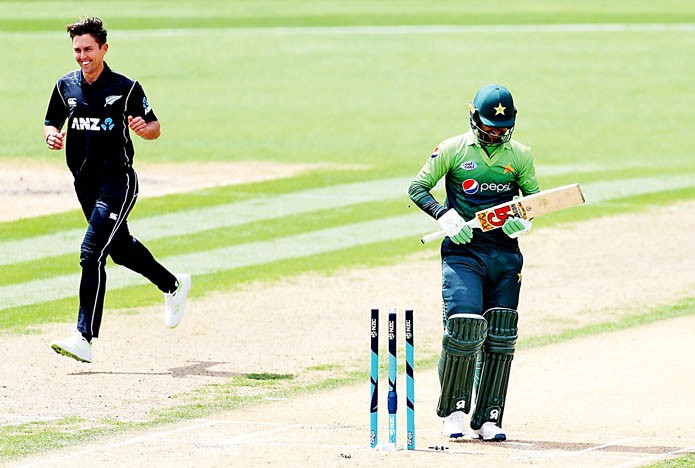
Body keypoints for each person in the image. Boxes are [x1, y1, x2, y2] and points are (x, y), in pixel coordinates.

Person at [43, 17, 191, 363]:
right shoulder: (65, 86)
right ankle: (173, 285)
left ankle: (84, 337)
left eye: (89, 49)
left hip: (118, 182)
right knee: (121, 250)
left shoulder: (126, 88)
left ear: (104, 49)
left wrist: (143, 128)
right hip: (84, 182)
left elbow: (154, 127)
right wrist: (51, 135)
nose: (83, 56)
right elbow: (51, 120)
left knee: (91, 253)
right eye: (77, 50)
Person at [408, 84, 540, 441]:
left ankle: (488, 418)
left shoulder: (520, 155)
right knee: (463, 330)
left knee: (500, 335)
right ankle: (454, 411)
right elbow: (417, 188)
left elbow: (533, 201)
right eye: (489, 127)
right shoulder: (453, 149)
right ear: (474, 118)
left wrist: (523, 221)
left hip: (505, 255)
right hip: (463, 252)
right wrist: (443, 214)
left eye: (503, 128)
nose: (496, 134)